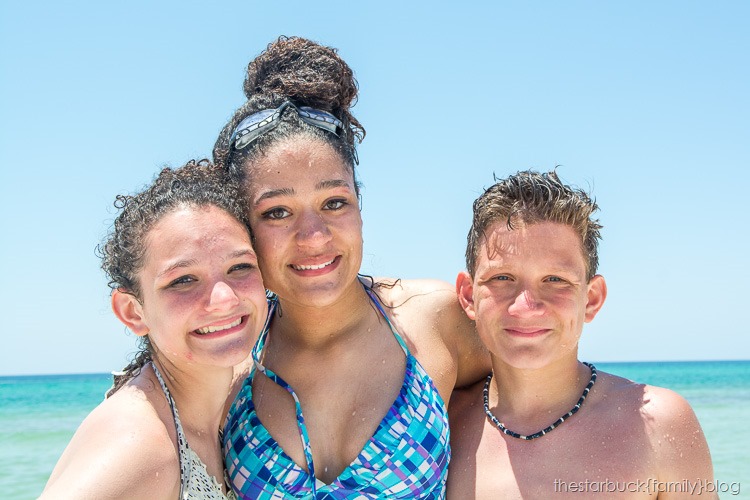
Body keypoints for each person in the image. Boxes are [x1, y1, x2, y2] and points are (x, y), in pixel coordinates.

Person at [212, 36, 489, 499]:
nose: (314, 236)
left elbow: (539, 395)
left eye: (334, 202)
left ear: (360, 204)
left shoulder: (435, 319)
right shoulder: (228, 360)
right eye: (277, 212)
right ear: (244, 225)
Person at [448, 170, 715, 499]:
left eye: (555, 280)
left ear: (591, 299)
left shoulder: (659, 423)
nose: (526, 307)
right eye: (502, 278)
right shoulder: (442, 424)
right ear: (468, 295)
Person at [41, 160, 268, 499]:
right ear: (133, 312)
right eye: (183, 280)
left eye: (240, 267)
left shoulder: (237, 391)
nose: (224, 299)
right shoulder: (141, 446)